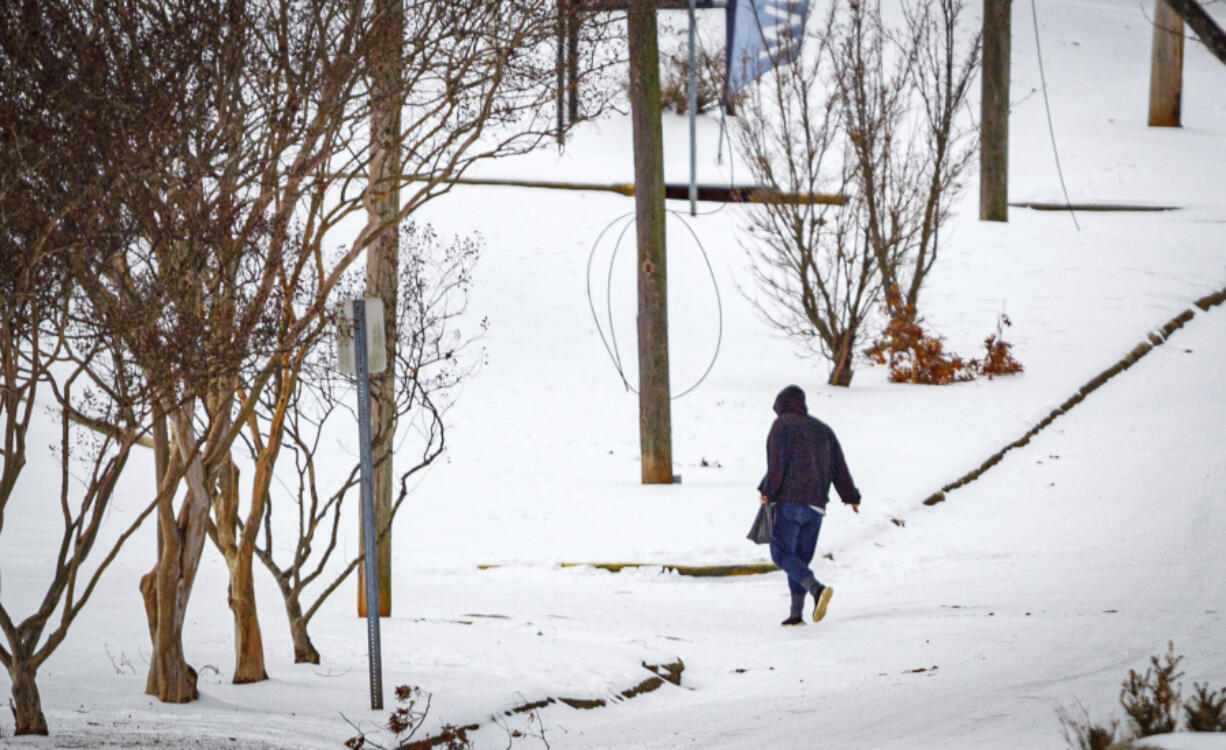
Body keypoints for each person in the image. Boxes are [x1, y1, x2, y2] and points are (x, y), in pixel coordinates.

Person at [757, 384, 860, 626]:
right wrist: (851, 496)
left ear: (781, 406)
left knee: (782, 554)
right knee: (799, 561)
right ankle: (796, 614)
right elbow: (839, 468)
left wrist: (768, 492)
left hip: (789, 503)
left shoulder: (781, 426)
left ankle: (816, 589)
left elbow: (777, 465)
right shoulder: (824, 430)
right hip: (816, 507)